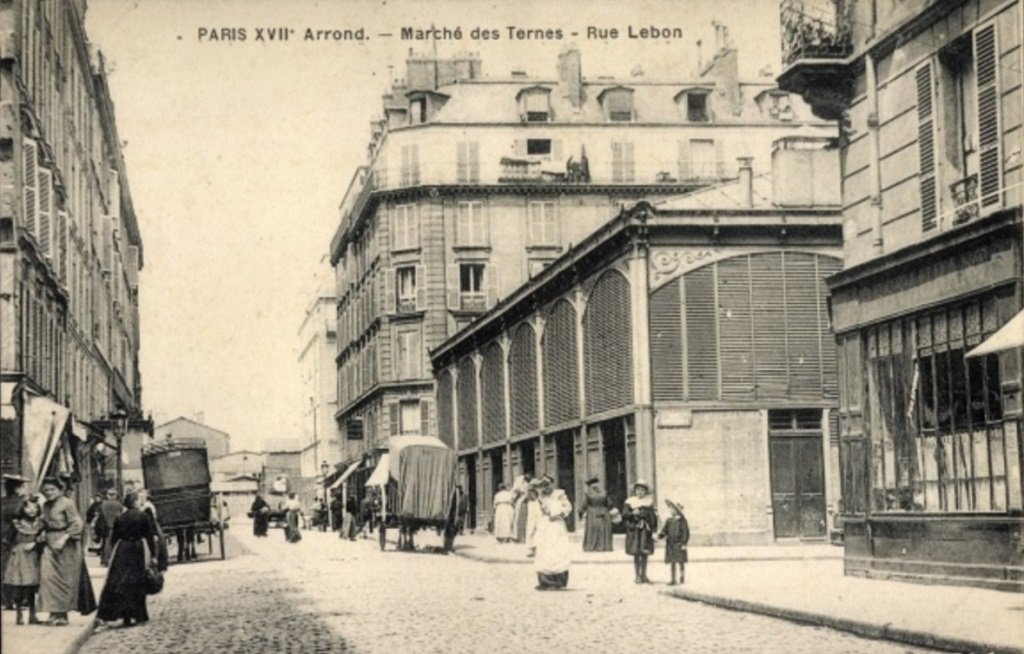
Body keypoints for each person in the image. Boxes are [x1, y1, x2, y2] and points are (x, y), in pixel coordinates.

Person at [96, 493, 162, 628]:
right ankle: (138, 614)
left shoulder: (120, 518)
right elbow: (149, 536)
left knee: (121, 580)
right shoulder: (143, 516)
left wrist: (114, 553)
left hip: (122, 550)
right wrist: (154, 555)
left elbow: (114, 538)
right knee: (137, 581)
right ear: (136, 503)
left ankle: (124, 615)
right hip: (137, 549)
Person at [39, 476, 96, 625]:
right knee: (48, 578)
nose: (49, 492)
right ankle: (53, 612)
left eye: (52, 489)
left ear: (60, 489)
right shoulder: (45, 505)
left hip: (66, 546)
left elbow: (77, 524)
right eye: (46, 490)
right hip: (50, 543)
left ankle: (62, 615)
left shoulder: (67, 503)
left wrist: (64, 539)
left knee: (64, 580)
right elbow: (44, 523)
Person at [4, 498, 43, 624]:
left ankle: (33, 614)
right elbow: (7, 540)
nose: (32, 510)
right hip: (19, 557)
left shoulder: (39, 524)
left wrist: (35, 544)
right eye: (28, 508)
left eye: (35, 508)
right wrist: (14, 550)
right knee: (19, 585)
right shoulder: (16, 524)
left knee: (32, 586)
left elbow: (43, 538)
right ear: (23, 509)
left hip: (33, 556)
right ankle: (19, 613)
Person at [532, 475, 573, 590]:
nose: (546, 487)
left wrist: (560, 514)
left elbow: (568, 507)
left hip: (557, 525)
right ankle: (544, 581)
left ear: (552, 484)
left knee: (558, 551)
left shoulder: (559, 495)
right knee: (544, 551)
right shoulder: (540, 496)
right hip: (545, 524)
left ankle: (559, 581)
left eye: (548, 484)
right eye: (543, 485)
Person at [2, 473, 30, 609]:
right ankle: (20, 599)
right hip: (18, 537)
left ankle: (6, 599)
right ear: (18, 488)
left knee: (5, 567)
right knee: (20, 567)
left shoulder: (3, 501)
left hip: (4, 537)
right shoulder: (24, 502)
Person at [623, 480, 658, 584]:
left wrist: (654, 531)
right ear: (635, 491)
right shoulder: (629, 502)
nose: (640, 492)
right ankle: (637, 575)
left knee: (644, 553)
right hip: (634, 531)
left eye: (642, 490)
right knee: (636, 553)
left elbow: (653, 518)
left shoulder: (648, 502)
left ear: (645, 492)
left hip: (645, 531)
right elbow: (624, 515)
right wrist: (632, 513)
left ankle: (644, 574)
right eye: (638, 490)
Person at [658, 500, 690, 585]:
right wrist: (660, 535)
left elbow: (685, 533)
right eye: (670, 509)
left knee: (680, 561)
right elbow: (664, 531)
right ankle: (673, 579)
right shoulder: (669, 520)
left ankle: (682, 576)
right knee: (672, 562)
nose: (670, 511)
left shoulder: (682, 521)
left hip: (679, 544)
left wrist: (684, 543)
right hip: (670, 545)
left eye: (672, 509)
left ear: (677, 510)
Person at [579, 476, 613, 552]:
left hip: (592, 513)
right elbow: (610, 504)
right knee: (602, 529)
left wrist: (580, 514)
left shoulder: (588, 495)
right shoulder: (604, 493)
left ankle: (591, 546)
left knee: (593, 529)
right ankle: (604, 546)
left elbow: (583, 506)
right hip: (603, 512)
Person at [97, 489, 124, 566]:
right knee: (115, 543)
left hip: (106, 526)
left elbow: (100, 515)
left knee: (106, 543)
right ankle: (113, 559)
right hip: (116, 526)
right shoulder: (118, 504)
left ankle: (106, 559)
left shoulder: (103, 504)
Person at [512, 474, 532, 543]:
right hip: (522, 501)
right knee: (520, 518)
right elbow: (515, 492)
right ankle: (519, 537)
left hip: (529, 501)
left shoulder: (531, 483)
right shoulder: (520, 481)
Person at [524, 485, 541, 558]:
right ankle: (531, 550)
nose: (531, 495)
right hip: (531, 519)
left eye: (532, 493)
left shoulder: (539, 501)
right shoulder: (529, 502)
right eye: (529, 493)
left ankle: (538, 550)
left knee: (538, 534)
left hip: (538, 519)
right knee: (530, 533)